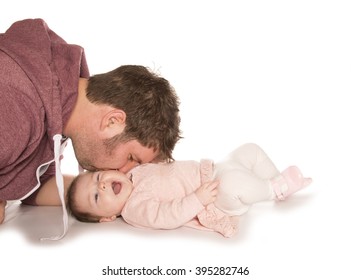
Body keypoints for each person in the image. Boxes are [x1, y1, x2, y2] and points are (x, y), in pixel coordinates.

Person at [0, 19, 181, 236]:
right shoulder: (17, 104)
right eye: (131, 157)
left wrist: (114, 197)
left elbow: (32, 183)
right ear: (113, 121)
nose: (126, 171)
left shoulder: (60, 106)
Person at [67, 143, 312, 238]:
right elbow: (167, 215)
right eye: (97, 196)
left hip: (214, 169)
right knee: (234, 185)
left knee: (250, 150)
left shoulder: (134, 172)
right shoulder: (134, 208)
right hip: (214, 197)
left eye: (98, 177)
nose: (101, 184)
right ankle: (274, 189)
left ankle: (275, 177)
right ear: (108, 217)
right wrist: (198, 199)